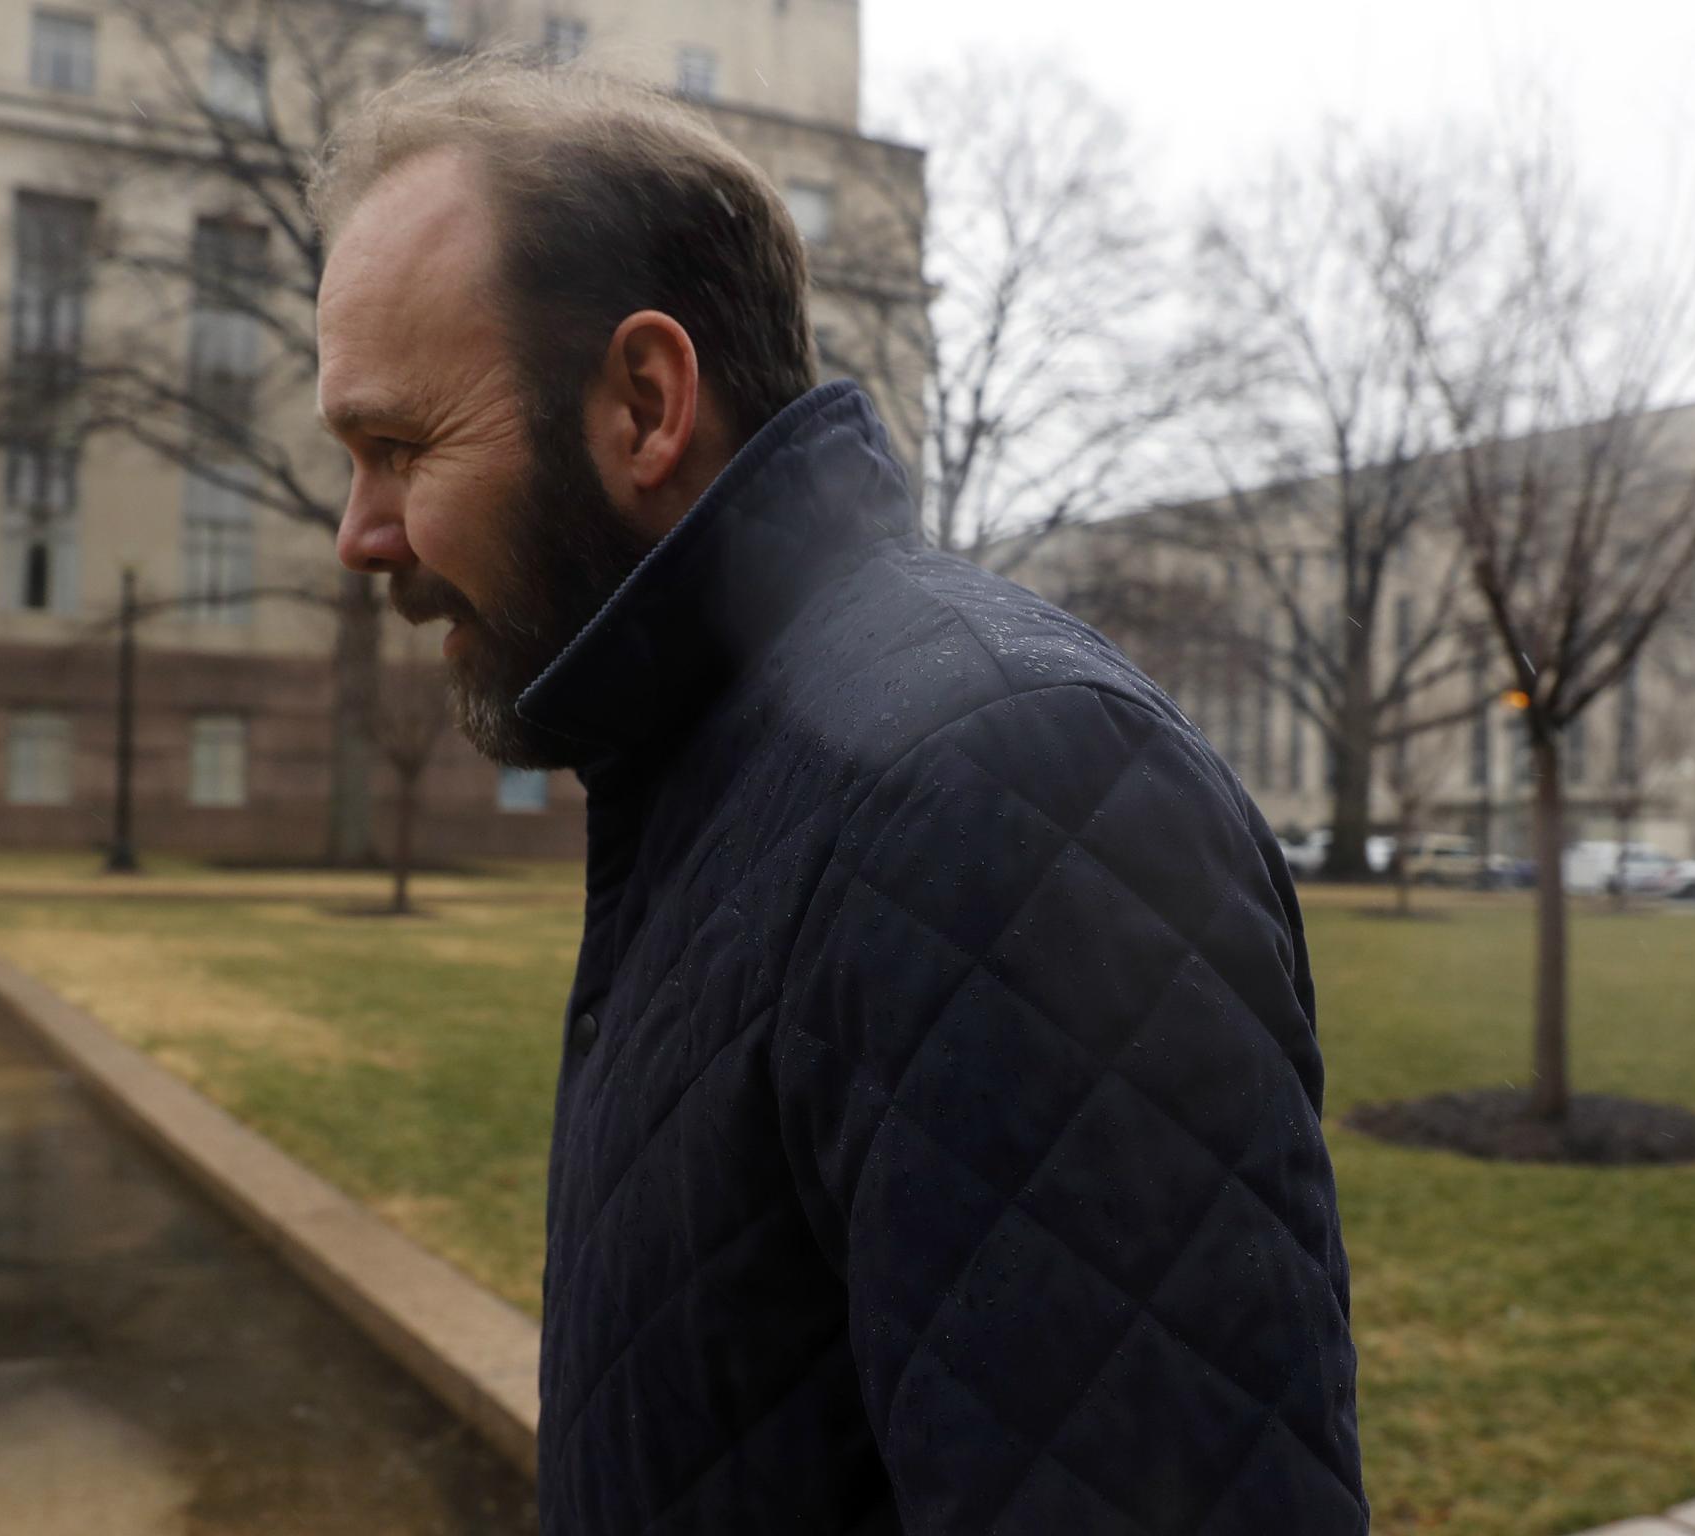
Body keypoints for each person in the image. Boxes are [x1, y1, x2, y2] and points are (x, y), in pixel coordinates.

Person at [311, 59, 1366, 1536]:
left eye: (399, 447)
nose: (359, 537)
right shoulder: (720, 769)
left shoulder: (1007, 788)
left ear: (644, 402)